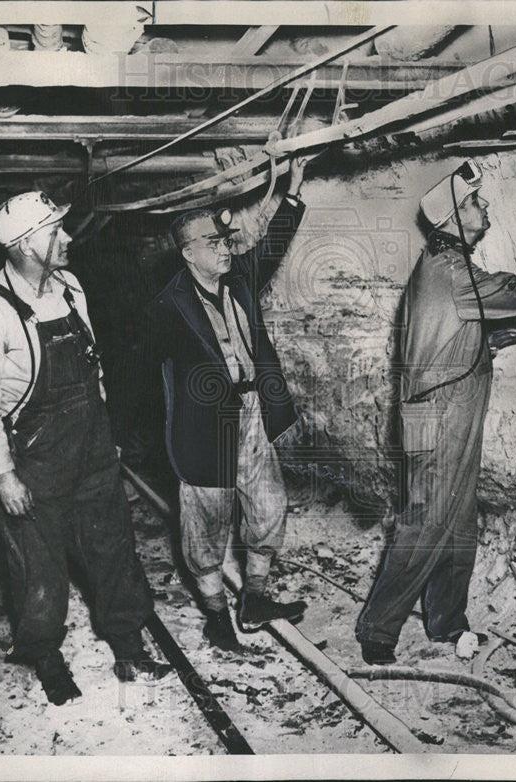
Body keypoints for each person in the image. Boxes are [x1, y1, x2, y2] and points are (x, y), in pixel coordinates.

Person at [354, 159, 516, 665]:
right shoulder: (452, 270)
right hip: (440, 413)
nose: (483, 207)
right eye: (474, 202)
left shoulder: (440, 268)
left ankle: (446, 619)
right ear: (452, 219)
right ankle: (378, 629)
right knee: (426, 520)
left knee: (457, 518)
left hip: (439, 409)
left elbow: (446, 333)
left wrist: (486, 342)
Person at [0, 191, 171, 705]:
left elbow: (93, 370)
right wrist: (4, 475)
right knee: (39, 564)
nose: (70, 238)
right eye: (58, 230)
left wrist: (107, 438)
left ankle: (127, 640)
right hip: (34, 456)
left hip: (91, 445)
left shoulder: (70, 288)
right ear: (29, 244)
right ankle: (45, 655)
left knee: (114, 545)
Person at [144, 156, 311, 652]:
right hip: (204, 429)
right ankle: (217, 613)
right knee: (206, 525)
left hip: (253, 412)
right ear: (188, 253)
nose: (225, 248)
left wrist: (293, 188)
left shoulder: (238, 281)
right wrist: (167, 432)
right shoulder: (166, 308)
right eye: (213, 243)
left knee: (269, 506)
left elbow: (273, 243)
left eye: (224, 240)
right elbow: (147, 378)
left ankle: (255, 597)